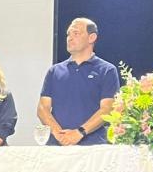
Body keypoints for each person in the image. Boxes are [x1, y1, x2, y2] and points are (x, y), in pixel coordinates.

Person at [37, 18, 120, 146]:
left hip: (93, 146)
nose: (70, 38)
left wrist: (79, 132)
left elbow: (107, 108)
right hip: (57, 146)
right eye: (68, 34)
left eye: (76, 33)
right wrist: (59, 134)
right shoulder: (54, 71)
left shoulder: (106, 70)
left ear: (91, 37)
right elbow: (43, 108)